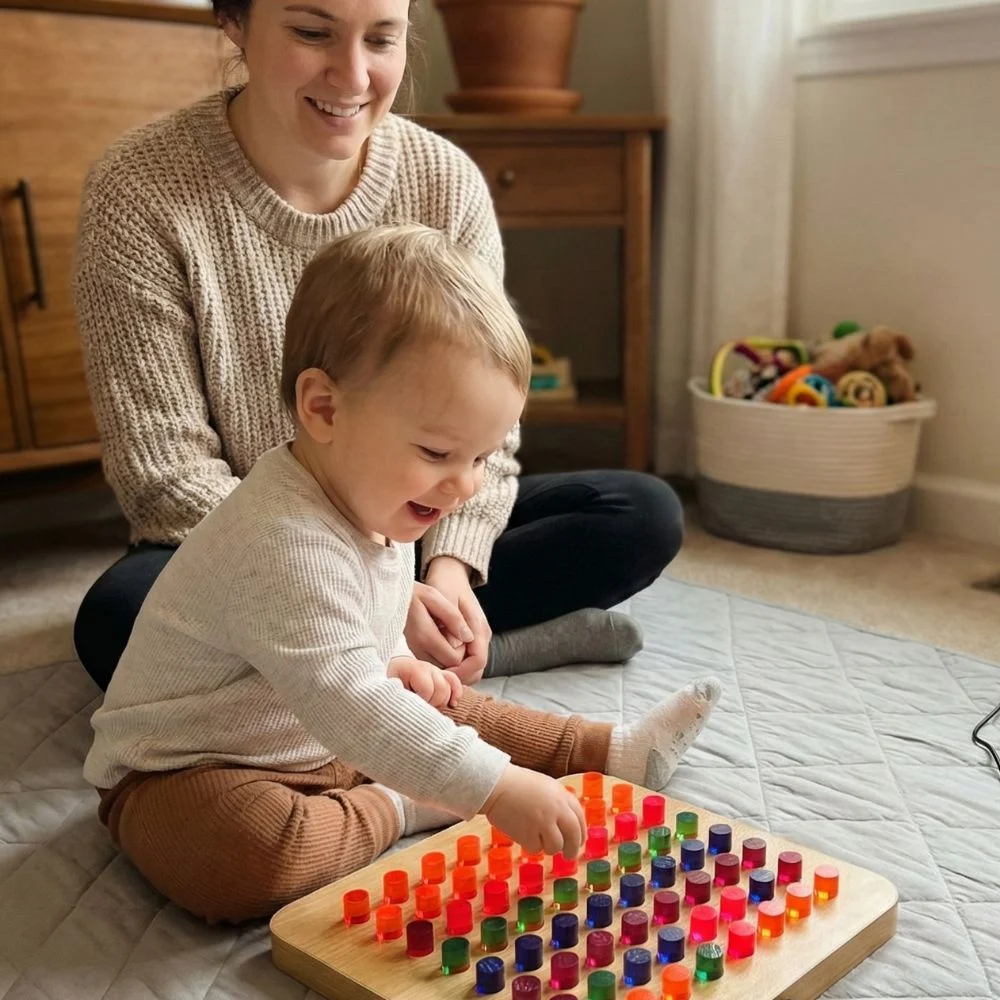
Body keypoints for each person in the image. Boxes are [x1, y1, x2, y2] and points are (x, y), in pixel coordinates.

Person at [83, 223, 720, 925]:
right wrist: (492, 788)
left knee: (439, 701)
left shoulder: (370, 491)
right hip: (190, 771)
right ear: (322, 408)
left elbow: (351, 642)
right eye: (440, 451)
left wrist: (392, 660)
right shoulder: (283, 541)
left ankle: (606, 750)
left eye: (480, 458)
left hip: (317, 728)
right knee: (250, 856)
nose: (468, 486)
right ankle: (403, 802)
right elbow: (349, 697)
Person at [71, 0, 685, 694]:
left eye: (383, 39)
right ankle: (440, 654)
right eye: (312, 33)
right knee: (119, 621)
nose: (353, 76)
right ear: (234, 22)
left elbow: (487, 433)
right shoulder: (138, 189)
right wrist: (362, 590)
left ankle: (387, 661)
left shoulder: (445, 183)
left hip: (413, 522)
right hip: (245, 547)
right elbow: (166, 473)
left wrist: (448, 571)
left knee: (640, 513)